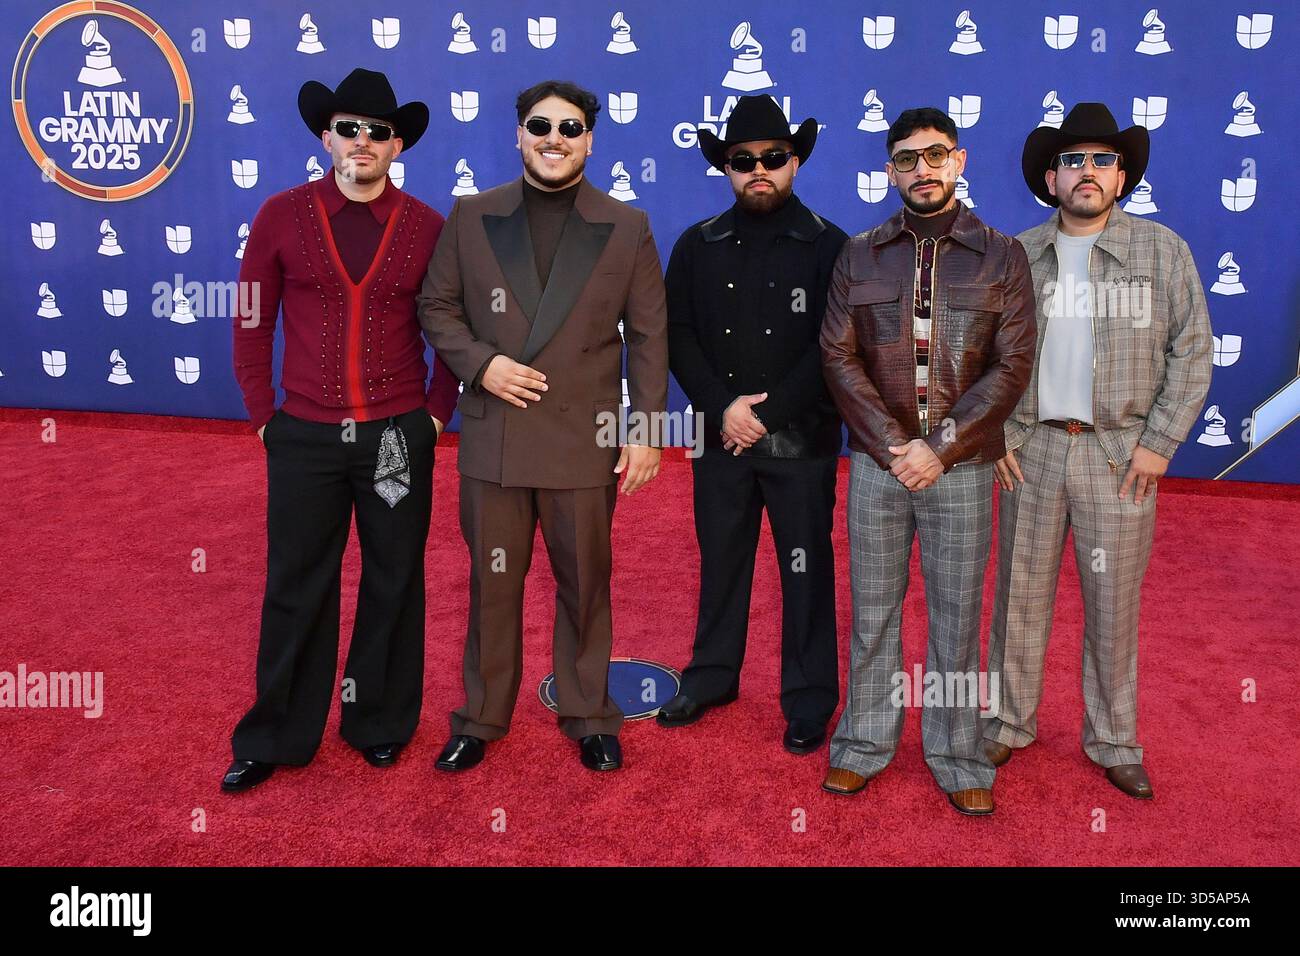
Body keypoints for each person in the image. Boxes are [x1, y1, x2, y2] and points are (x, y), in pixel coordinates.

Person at [418, 80, 669, 772]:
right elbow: (437, 307)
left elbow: (649, 335)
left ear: (590, 138)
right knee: (492, 581)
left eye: (569, 127)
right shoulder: (472, 216)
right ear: (519, 135)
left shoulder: (627, 225)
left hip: (582, 441)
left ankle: (589, 712)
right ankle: (481, 716)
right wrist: (482, 365)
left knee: (585, 582)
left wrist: (645, 430)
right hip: (496, 431)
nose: (553, 138)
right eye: (540, 125)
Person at [223, 68, 458, 792]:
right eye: (349, 128)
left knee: (393, 577)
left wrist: (433, 415)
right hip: (303, 436)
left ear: (397, 146)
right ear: (326, 136)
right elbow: (252, 318)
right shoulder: (281, 215)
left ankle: (379, 723)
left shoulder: (426, 226)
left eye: (378, 133)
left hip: (395, 437)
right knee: (296, 582)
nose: (362, 142)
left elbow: (451, 328)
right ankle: (276, 735)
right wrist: (265, 417)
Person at [982, 103, 1213, 800]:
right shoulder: (1016, 255)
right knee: (1019, 601)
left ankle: (1114, 739)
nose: (1088, 172)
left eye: (1102, 161)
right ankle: (1007, 723)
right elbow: (982, 357)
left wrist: (1159, 443)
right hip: (1035, 450)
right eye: (1074, 161)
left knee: (1113, 604)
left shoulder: (1162, 251)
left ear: (1122, 176)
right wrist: (996, 431)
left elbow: (1193, 350)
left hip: (1120, 457)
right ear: (1051, 178)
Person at [819, 107, 1036, 814]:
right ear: (890, 169)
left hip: (964, 469)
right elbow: (838, 356)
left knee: (957, 617)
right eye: (907, 158)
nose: (923, 169)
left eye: (936, 155)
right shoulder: (858, 254)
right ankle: (862, 745)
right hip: (879, 469)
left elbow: (1012, 367)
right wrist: (893, 447)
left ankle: (956, 751)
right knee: (873, 612)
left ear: (960, 160)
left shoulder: (1002, 255)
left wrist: (939, 449)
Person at [657, 95, 847, 754]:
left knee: (805, 570)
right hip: (720, 440)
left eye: (773, 158)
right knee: (721, 562)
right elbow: (677, 335)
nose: (758, 170)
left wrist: (761, 417)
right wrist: (723, 410)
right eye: (743, 161)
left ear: (795, 161)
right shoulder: (695, 244)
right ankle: (710, 677)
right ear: (726, 168)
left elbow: (835, 347)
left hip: (801, 444)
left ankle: (809, 698)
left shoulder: (830, 245)